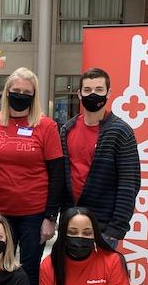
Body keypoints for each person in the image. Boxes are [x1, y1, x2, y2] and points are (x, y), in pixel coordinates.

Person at [0, 67, 63, 285]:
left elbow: (57, 173)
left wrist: (50, 217)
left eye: (26, 93)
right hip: (1, 210)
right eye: (15, 91)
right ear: (7, 93)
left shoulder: (46, 126)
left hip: (34, 211)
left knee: (29, 266)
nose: (20, 96)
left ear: (34, 96)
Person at [60, 68, 141, 249]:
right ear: (79, 94)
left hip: (103, 226)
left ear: (108, 93)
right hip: (70, 223)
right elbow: (64, 178)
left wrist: (116, 228)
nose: (93, 94)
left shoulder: (121, 132)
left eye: (99, 89)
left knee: (99, 277)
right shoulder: (67, 129)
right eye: (87, 90)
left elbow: (129, 184)